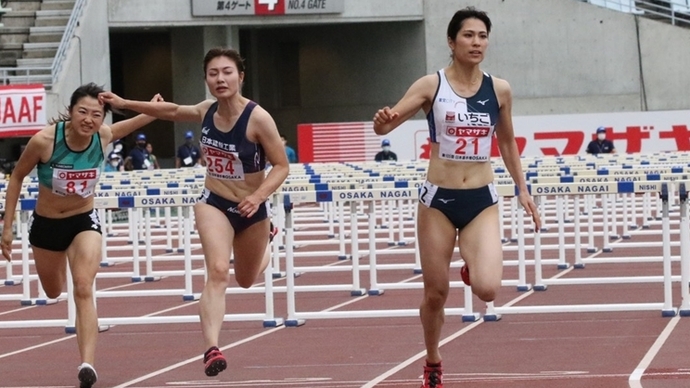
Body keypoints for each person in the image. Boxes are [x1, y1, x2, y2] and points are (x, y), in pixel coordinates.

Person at [372, 7, 541, 388]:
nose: (476, 42)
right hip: (438, 202)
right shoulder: (431, 85)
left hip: (481, 197)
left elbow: (508, 140)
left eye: (482, 35)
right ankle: (432, 360)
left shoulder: (499, 89)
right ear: (451, 42)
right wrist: (382, 123)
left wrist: (522, 188)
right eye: (468, 35)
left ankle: (472, 264)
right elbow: (389, 120)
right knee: (436, 293)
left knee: (488, 289)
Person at [98, 47, 290, 378]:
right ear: (206, 79)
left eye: (227, 72)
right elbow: (170, 110)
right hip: (213, 200)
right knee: (217, 271)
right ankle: (212, 347)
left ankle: (269, 239)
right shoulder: (205, 111)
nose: (220, 78)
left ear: (240, 77)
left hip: (252, 207)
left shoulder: (258, 119)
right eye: (213, 73)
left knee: (245, 279)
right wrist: (125, 103)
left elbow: (282, 166)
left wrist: (258, 197)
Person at [0, 83, 161, 388]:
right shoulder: (45, 141)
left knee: (84, 287)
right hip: (47, 225)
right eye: (83, 112)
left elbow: (138, 121)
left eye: (97, 114)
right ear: (71, 112)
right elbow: (18, 177)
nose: (89, 119)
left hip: (83, 220)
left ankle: (87, 364)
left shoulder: (102, 137)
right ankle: (57, 267)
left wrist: (150, 105)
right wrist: (7, 227)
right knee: (52, 290)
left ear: (103, 118)